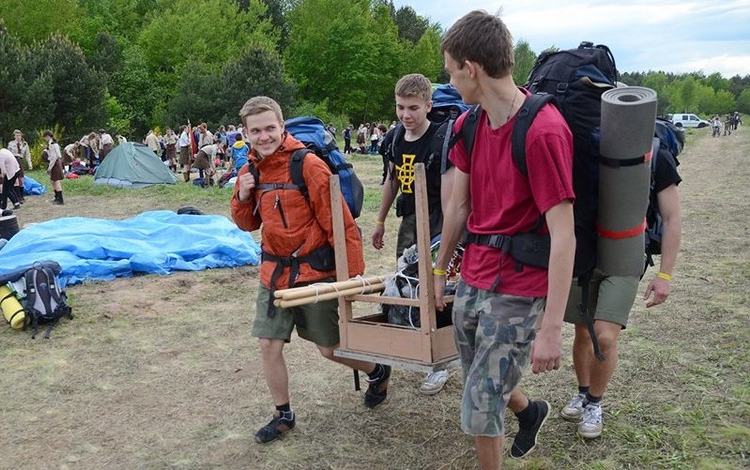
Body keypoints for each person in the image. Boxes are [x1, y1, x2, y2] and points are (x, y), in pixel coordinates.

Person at [431, 11, 576, 467]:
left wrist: (551, 328)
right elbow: (458, 207)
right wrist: (439, 271)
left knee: (480, 404)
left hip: (520, 287)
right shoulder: (470, 126)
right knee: (481, 376)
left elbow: (564, 234)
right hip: (474, 274)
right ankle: (530, 412)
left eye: (451, 70)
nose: (451, 81)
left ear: (470, 68)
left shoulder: (543, 131)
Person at [231, 96, 391, 444]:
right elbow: (247, 223)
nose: (264, 136)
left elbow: (341, 224)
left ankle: (377, 370)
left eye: (270, 128)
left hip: (314, 275)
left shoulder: (309, 165)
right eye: (255, 131)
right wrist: (242, 198)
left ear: (282, 126)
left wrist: (351, 277)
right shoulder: (249, 170)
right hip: (273, 275)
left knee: (329, 349)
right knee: (269, 345)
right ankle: (283, 415)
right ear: (245, 133)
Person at [558, 133, 682, 439]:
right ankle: (583, 392)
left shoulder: (654, 151)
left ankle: (594, 405)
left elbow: (672, 215)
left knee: (605, 337)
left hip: (625, 257)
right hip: (584, 253)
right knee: (583, 330)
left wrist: (665, 275)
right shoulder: (577, 142)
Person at [371, 74, 451, 395]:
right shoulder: (393, 139)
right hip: (408, 220)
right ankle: (416, 344)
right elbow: (392, 179)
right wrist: (379, 221)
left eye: (413, 108)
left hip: (436, 219)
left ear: (429, 106)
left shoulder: (439, 139)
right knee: (407, 284)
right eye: (401, 107)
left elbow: (452, 191)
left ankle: (440, 360)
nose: (406, 115)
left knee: (435, 288)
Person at [7, 129, 31, 204]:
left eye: (19, 135)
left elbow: (27, 154)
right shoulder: (11, 144)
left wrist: (29, 163)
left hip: (20, 160)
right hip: (13, 160)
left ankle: (21, 195)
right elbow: (8, 153)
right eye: (16, 135)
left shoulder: (24, 144)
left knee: (21, 179)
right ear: (14, 136)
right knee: (15, 180)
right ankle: (17, 197)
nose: (18, 137)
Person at [44, 131, 65, 205]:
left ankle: (60, 199)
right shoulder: (52, 144)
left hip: (54, 163)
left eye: (45, 137)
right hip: (55, 163)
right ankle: (57, 197)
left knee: (56, 181)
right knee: (52, 180)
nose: (45, 139)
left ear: (48, 136)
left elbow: (54, 157)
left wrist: (49, 168)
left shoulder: (52, 144)